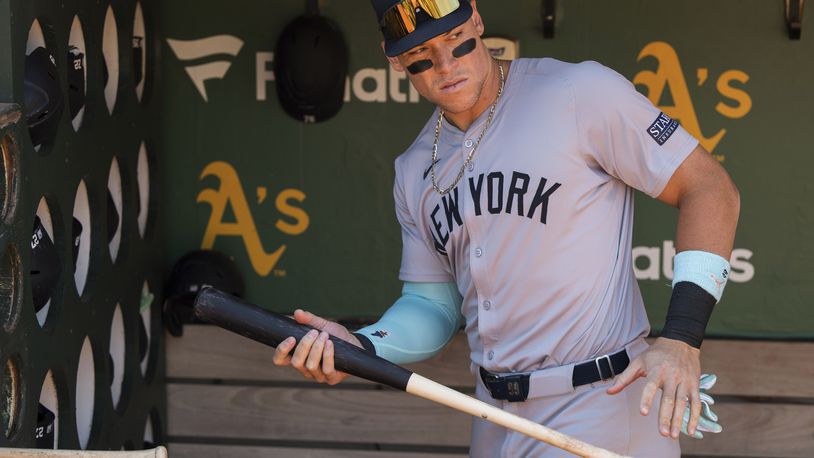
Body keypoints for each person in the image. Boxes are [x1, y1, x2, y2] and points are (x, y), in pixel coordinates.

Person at [272, 1, 739, 456]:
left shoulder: (579, 93)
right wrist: (364, 345)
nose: (445, 66)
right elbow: (431, 306)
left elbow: (709, 188)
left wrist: (681, 339)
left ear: (476, 18)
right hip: (493, 414)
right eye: (421, 58)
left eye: (457, 41)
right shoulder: (414, 169)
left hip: (600, 397)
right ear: (394, 60)